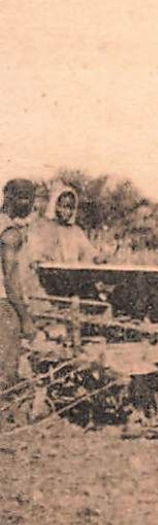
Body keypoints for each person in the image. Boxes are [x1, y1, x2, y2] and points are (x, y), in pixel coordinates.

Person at [1, 180, 39, 429]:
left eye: (30, 197)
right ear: (8, 197)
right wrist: (25, 318)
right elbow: (10, 278)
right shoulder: (10, 233)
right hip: (6, 304)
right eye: (21, 197)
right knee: (7, 365)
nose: (27, 203)